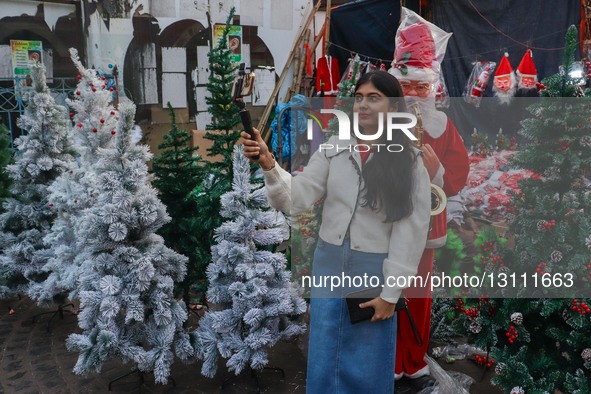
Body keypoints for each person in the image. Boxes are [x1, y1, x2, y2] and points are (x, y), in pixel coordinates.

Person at [242, 70, 431, 393]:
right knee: (326, 357)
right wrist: (269, 164)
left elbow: (410, 232)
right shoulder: (334, 149)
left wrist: (390, 294)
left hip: (372, 271)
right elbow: (295, 198)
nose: (364, 105)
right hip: (329, 264)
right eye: (359, 98)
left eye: (374, 98)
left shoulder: (410, 162)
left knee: (367, 362)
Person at [389, 13, 470, 394]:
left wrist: (436, 171)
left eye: (417, 86)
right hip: (384, 225)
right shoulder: (378, 121)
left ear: (431, 87)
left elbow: (458, 176)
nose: (410, 93)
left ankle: (414, 362)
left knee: (417, 296)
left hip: (426, 228)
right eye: (403, 84)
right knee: (386, 291)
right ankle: (387, 360)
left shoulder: (441, 127)